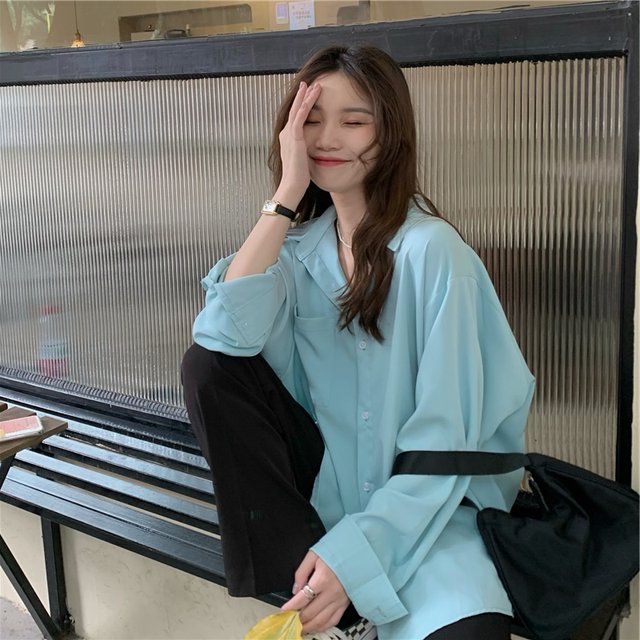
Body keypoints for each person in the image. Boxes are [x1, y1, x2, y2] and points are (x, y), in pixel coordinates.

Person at [181, 45, 535, 640]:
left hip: (430, 510)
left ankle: (348, 598)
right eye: (312, 120)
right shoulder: (296, 251)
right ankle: (322, 590)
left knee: (466, 630)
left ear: (389, 132)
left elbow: (446, 442)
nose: (327, 139)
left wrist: (359, 554)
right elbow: (220, 340)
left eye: (354, 121)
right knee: (208, 366)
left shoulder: (433, 253)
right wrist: (286, 194)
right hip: (330, 493)